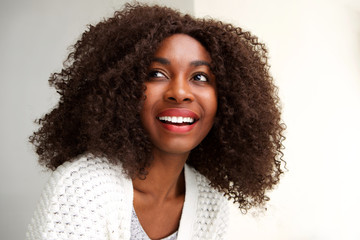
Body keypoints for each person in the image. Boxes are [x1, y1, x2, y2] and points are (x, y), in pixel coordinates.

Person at [26, 3, 285, 240]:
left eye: (200, 77)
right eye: (157, 74)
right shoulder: (83, 189)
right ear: (123, 89)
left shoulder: (209, 201)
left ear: (226, 100)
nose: (180, 92)